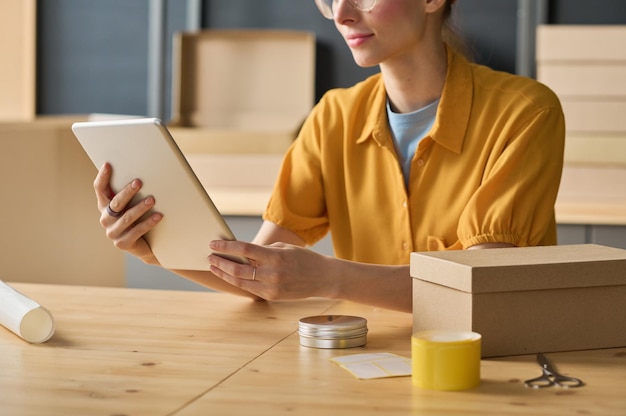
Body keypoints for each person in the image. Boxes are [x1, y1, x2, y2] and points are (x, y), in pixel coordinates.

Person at [94, 0, 565, 313]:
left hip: (497, 368)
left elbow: (480, 288)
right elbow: (259, 274)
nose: (341, 14)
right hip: (373, 362)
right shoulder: (333, 116)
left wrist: (331, 278)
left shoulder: (525, 113)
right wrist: (155, 246)